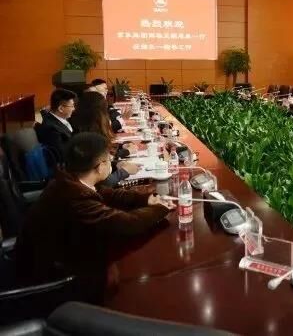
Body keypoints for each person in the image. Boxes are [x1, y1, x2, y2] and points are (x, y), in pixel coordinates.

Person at [16, 132, 174, 300]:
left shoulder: (70, 179)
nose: (111, 162)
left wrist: (145, 199)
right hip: (59, 275)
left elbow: (107, 193)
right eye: (108, 159)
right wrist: (160, 208)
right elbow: (127, 224)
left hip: (68, 251)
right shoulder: (75, 198)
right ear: (99, 167)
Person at [69, 91, 138, 186]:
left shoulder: (84, 129)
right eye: (105, 111)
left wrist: (116, 164)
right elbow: (96, 184)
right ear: (99, 114)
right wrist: (123, 172)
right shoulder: (87, 140)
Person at [35, 89, 77, 167]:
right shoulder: (51, 130)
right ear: (61, 108)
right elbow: (63, 156)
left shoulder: (59, 117)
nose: (74, 109)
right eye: (72, 106)